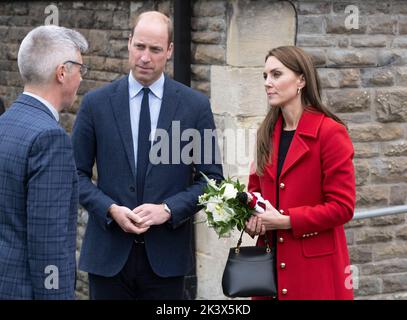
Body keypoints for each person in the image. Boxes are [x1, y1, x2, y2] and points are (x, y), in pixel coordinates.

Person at [72, 11, 223, 300]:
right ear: (129, 43)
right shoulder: (96, 104)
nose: (145, 57)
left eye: (155, 50)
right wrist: (109, 208)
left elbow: (211, 181)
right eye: (139, 46)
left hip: (166, 260)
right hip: (108, 257)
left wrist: (167, 210)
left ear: (169, 51)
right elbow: (74, 174)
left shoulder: (195, 107)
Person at [245, 46, 355, 300]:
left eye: (276, 74)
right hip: (268, 270)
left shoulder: (330, 133)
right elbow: (255, 193)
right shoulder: (266, 133)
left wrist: (285, 220)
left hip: (315, 274)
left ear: (301, 80)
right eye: (265, 76)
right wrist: (252, 220)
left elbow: (342, 207)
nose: (268, 83)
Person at [0, 25, 88, 299]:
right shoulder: (50, 138)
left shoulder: (4, 124)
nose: (81, 79)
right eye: (81, 70)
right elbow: (49, 243)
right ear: (62, 72)